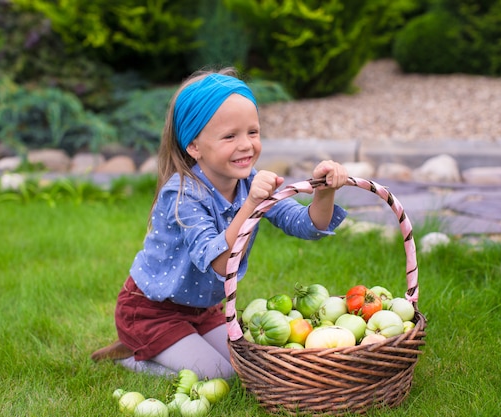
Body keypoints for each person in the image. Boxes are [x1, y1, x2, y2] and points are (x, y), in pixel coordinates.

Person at [91, 67, 349, 379]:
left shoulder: (249, 182)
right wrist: (252, 203)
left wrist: (325, 192)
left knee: (249, 367)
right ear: (194, 146)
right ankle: (135, 355)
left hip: (205, 310)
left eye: (252, 132)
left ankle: (169, 346)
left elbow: (306, 225)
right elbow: (218, 263)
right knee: (220, 376)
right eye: (230, 136)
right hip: (152, 311)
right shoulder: (183, 194)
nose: (246, 145)